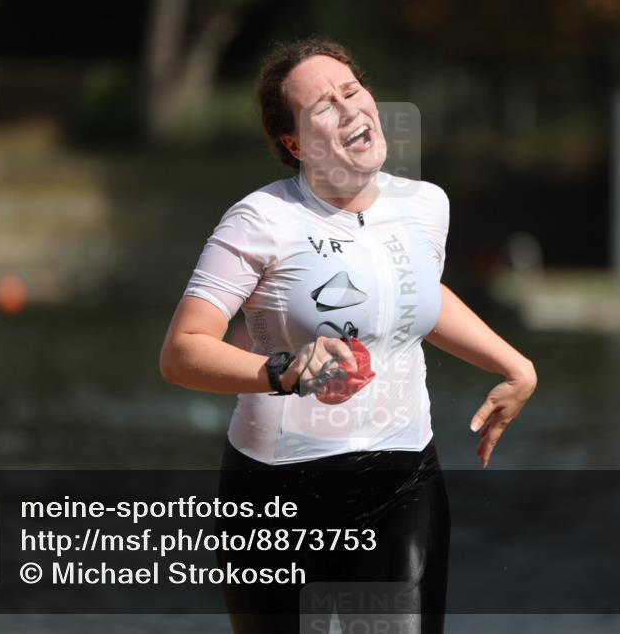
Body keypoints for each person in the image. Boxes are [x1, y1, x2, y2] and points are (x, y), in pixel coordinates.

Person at [160, 38, 537, 634]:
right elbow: (182, 352)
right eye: (323, 108)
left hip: (402, 480)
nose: (350, 108)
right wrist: (281, 371)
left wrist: (515, 365)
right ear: (295, 143)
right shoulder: (260, 220)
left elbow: (417, 296)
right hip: (276, 490)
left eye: (352, 91)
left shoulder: (425, 205)